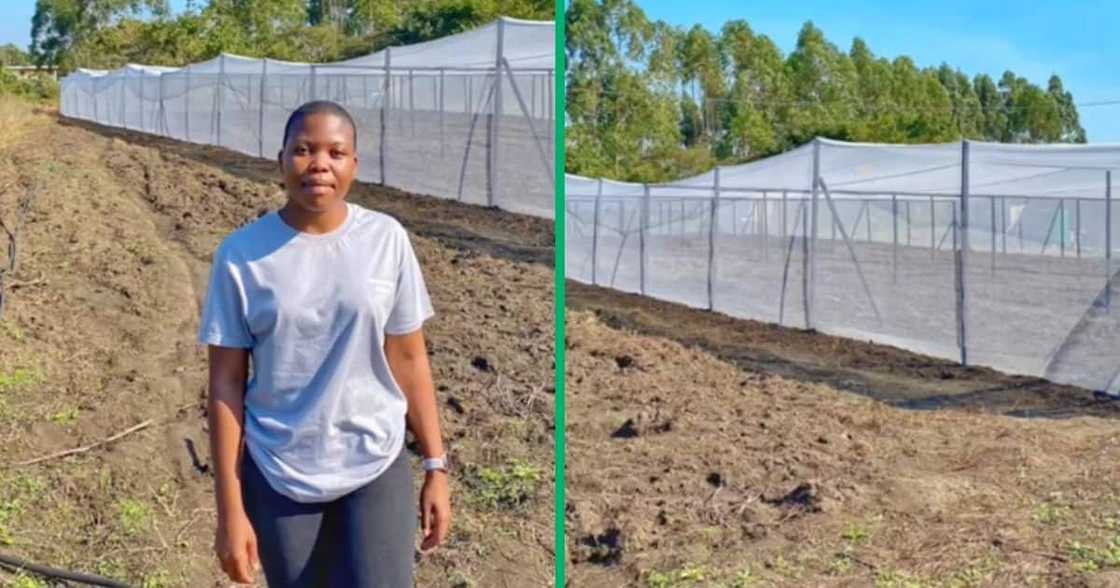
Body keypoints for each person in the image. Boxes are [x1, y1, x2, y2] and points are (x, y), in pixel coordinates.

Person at [197, 100, 451, 587]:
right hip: (280, 470)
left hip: (373, 460)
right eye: (303, 150)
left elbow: (409, 357)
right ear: (281, 160)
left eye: (336, 152)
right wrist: (229, 507)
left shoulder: (385, 240)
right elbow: (226, 384)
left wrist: (436, 466)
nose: (319, 164)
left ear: (354, 165)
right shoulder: (241, 256)